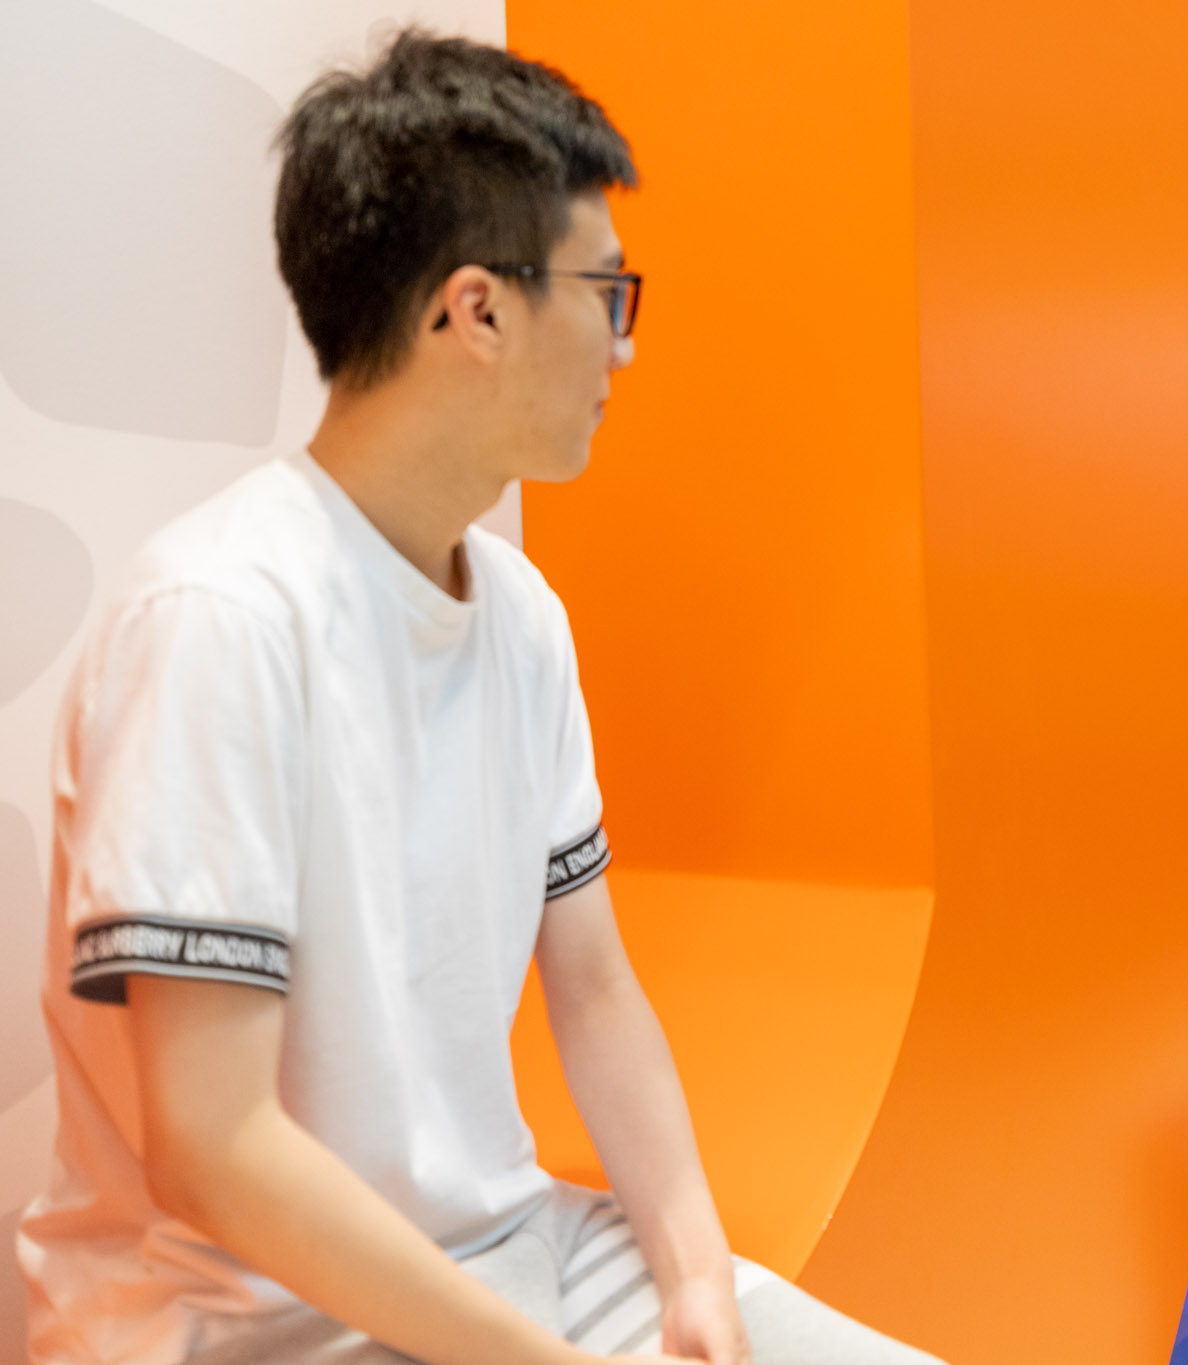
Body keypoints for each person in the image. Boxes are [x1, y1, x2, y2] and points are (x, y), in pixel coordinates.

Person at [17, 31, 941, 1365]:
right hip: (245, 1321)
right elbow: (215, 1151)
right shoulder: (218, 618)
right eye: (606, 291)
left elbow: (598, 991)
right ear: (478, 311)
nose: (623, 348)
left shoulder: (520, 615)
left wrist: (692, 1275)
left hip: (517, 1255)